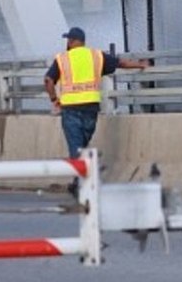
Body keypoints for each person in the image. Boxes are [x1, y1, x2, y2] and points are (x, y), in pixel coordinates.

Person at [44, 27, 148, 197]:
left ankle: (80, 184)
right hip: (91, 109)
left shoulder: (62, 59)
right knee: (83, 146)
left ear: (72, 41)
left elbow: (48, 80)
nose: (67, 43)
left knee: (76, 148)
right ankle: (78, 181)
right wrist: (141, 65)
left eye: (68, 40)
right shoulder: (96, 56)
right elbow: (120, 63)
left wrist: (54, 99)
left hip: (70, 109)